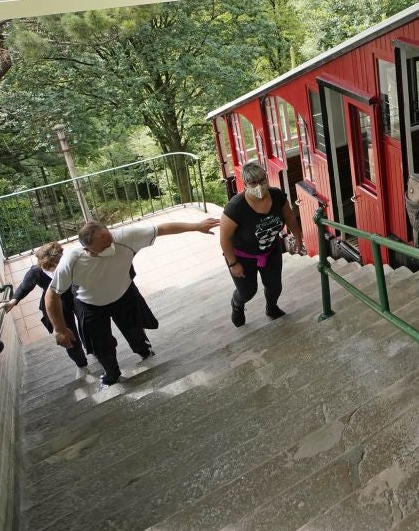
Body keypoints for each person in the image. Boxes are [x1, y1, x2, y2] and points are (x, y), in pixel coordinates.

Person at [46, 216, 218, 388]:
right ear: (86, 249)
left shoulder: (124, 237)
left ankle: (145, 351)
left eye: (110, 241)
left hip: (123, 294)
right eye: (104, 247)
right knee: (101, 345)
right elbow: (52, 294)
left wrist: (197, 226)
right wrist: (60, 329)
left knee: (134, 328)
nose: (110, 248)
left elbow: (163, 229)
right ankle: (111, 375)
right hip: (90, 303)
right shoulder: (71, 260)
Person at [219, 162, 305, 327]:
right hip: (242, 256)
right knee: (248, 291)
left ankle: (271, 308)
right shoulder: (235, 207)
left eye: (262, 180)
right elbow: (224, 238)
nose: (259, 185)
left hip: (270, 249)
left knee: (274, 286)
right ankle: (237, 304)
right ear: (245, 184)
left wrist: (298, 237)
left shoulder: (277, 196)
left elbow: (289, 217)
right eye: (253, 183)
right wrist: (233, 263)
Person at [0, 241, 95, 380]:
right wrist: (13, 301)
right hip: (56, 303)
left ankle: (96, 349)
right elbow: (25, 287)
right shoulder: (36, 271)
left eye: (56, 266)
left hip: (76, 296)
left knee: (89, 324)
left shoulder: (70, 261)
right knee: (67, 333)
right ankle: (81, 365)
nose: (54, 271)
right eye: (50, 269)